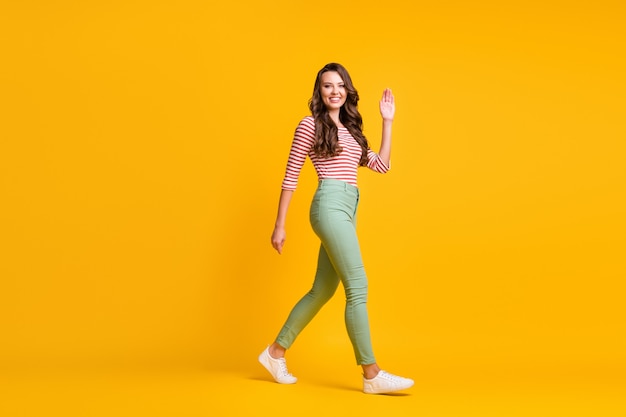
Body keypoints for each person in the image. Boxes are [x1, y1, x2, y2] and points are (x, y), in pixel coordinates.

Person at [258, 63, 413, 394]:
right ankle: (371, 373)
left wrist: (388, 121)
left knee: (323, 290)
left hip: (349, 206)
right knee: (357, 286)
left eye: (340, 85)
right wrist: (279, 225)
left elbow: (381, 165)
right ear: (319, 91)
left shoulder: (351, 129)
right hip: (328, 204)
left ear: (348, 90)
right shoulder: (308, 125)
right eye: (327, 86)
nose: (334, 91)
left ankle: (275, 352)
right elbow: (291, 176)